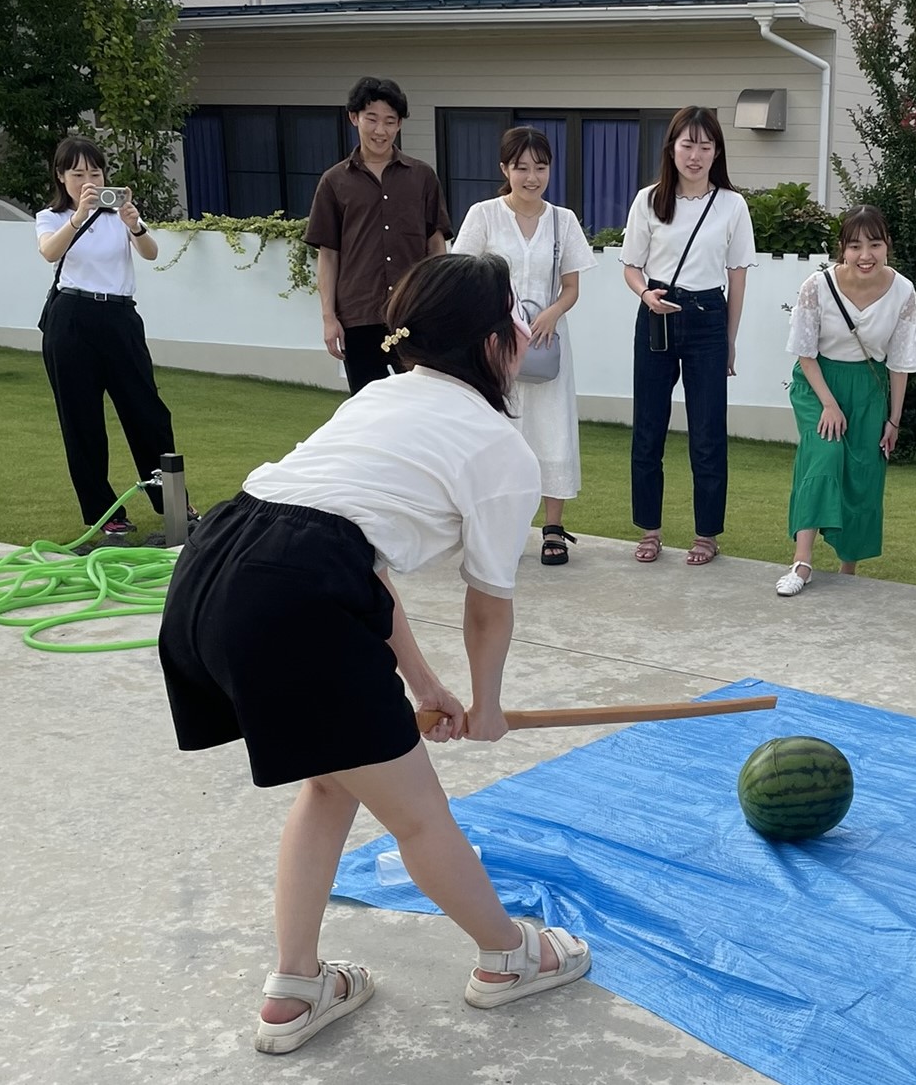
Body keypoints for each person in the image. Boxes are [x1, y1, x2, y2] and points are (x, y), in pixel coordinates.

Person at [157, 254, 591, 1055]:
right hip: (296, 594)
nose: (529, 326)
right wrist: (487, 704)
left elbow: (351, 556)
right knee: (419, 814)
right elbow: (488, 604)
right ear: (497, 344)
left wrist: (425, 683)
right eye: (518, 315)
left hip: (217, 566)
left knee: (332, 777)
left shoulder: (382, 397)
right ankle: (508, 955)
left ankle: (294, 986)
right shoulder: (500, 447)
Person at [35, 136, 195, 539]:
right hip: (71, 318)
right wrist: (79, 215)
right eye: (77, 173)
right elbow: (50, 253)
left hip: (120, 316)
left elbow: (151, 252)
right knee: (81, 419)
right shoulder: (51, 217)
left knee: (148, 413)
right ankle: (105, 515)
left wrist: (134, 224)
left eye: (94, 172)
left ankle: (174, 503)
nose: (87, 180)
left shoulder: (116, 216)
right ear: (61, 176)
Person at [452, 127, 597, 565]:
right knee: (499, 430)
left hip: (547, 341)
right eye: (521, 168)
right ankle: (499, 524)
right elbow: (465, 274)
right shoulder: (483, 215)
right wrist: (502, 318)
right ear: (504, 169)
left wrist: (552, 312)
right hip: (497, 343)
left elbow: (571, 286)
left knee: (553, 428)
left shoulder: (563, 220)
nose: (531, 177)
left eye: (540, 167)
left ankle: (553, 526)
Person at [621, 105, 756, 566]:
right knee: (648, 429)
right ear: (672, 148)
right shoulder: (649, 199)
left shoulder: (732, 205)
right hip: (656, 315)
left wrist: (730, 340)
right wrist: (645, 295)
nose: (695, 155)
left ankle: (706, 535)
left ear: (717, 151)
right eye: (687, 144)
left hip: (707, 318)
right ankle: (650, 530)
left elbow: (737, 277)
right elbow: (631, 267)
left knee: (707, 433)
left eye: (705, 145)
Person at [775, 205, 916, 595]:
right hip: (819, 383)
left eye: (875, 244)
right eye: (855, 245)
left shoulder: (903, 291)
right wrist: (827, 402)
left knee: (862, 473)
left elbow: (901, 363)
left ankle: (848, 569)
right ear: (842, 248)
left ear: (887, 245)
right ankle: (801, 562)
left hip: (868, 386)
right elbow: (804, 352)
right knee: (823, 455)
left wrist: (893, 421)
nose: (865, 255)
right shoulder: (817, 286)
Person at [305, 76, 452, 394]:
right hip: (358, 316)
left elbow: (435, 245)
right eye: (372, 119)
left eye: (390, 121)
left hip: (413, 313)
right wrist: (329, 318)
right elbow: (328, 254)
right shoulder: (334, 182)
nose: (380, 130)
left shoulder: (423, 177)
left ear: (399, 125)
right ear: (354, 117)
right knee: (367, 409)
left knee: (422, 402)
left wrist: (440, 306)